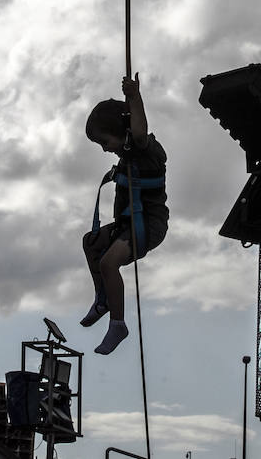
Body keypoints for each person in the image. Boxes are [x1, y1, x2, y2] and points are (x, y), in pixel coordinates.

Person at [80, 73, 168, 355]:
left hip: (147, 226)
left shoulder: (144, 150)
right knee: (90, 242)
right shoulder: (128, 155)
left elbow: (139, 132)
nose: (105, 149)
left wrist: (134, 97)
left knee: (108, 264)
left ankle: (118, 324)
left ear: (121, 130)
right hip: (128, 223)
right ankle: (103, 300)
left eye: (105, 141)